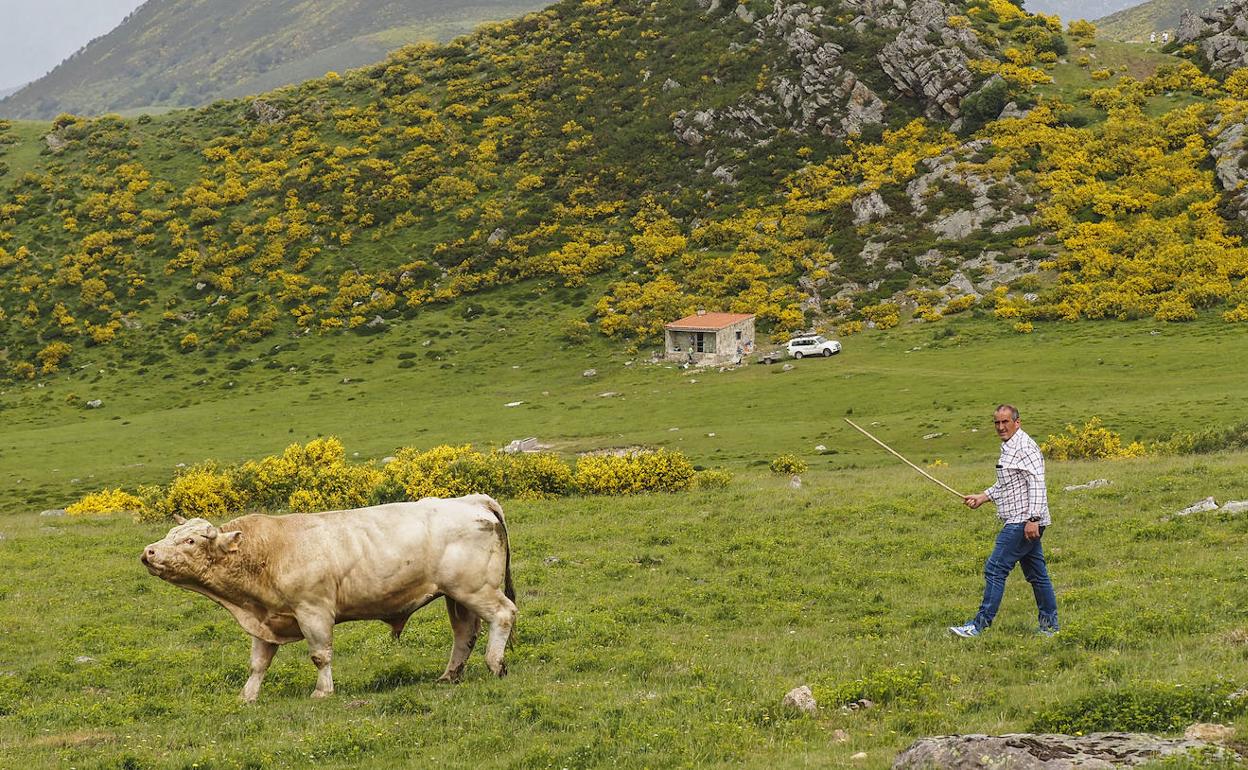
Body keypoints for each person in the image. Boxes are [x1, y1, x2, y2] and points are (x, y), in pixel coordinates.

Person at [949, 404, 1059, 638]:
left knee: (995, 569)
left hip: (1023, 521)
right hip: (1021, 518)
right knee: (1037, 575)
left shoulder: (1025, 447)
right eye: (997, 423)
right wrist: (983, 497)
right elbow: (1007, 484)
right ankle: (1050, 628)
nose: (1000, 427)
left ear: (1017, 422)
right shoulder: (1009, 446)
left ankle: (978, 625)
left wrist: (1033, 519)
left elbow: (1037, 484)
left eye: (1005, 422)